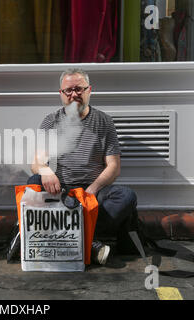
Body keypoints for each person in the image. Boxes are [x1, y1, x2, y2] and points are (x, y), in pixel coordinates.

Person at [29, 68, 138, 265]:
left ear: (89, 90)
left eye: (79, 89)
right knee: (34, 182)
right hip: (60, 191)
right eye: (68, 91)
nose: (74, 95)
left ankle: (74, 240)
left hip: (92, 192)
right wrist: (45, 171)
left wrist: (93, 190)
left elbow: (113, 166)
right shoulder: (50, 121)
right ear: (61, 94)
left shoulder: (104, 121)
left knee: (126, 196)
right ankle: (88, 243)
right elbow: (36, 162)